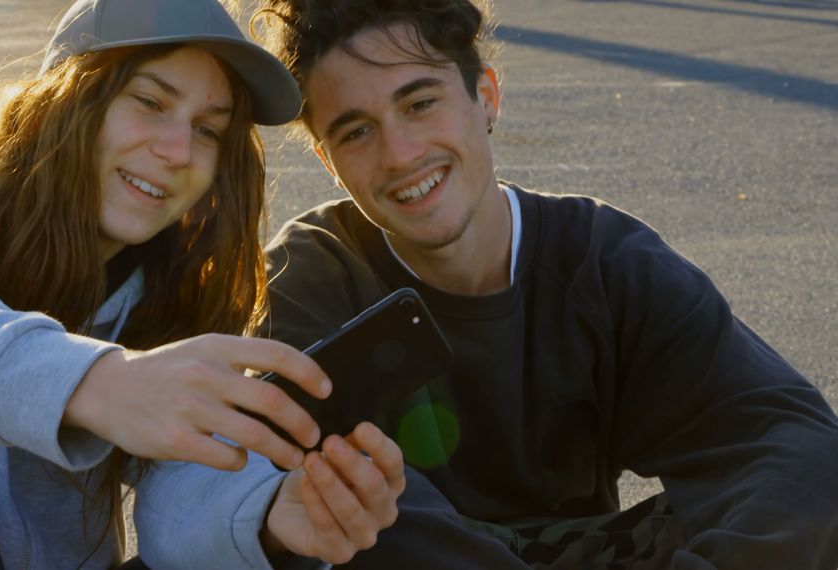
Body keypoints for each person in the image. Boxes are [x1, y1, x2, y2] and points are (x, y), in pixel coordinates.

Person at [133, 0, 838, 568]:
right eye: (356, 132)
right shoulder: (312, 277)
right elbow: (354, 511)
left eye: (420, 103)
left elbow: (787, 439)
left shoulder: (601, 259)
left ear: (487, 98)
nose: (401, 154)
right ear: (327, 159)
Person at [0, 0, 405, 568]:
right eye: (149, 103)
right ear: (67, 98)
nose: (178, 150)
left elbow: (183, 502)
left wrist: (271, 518)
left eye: (207, 129)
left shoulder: (161, 297)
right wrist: (94, 382)